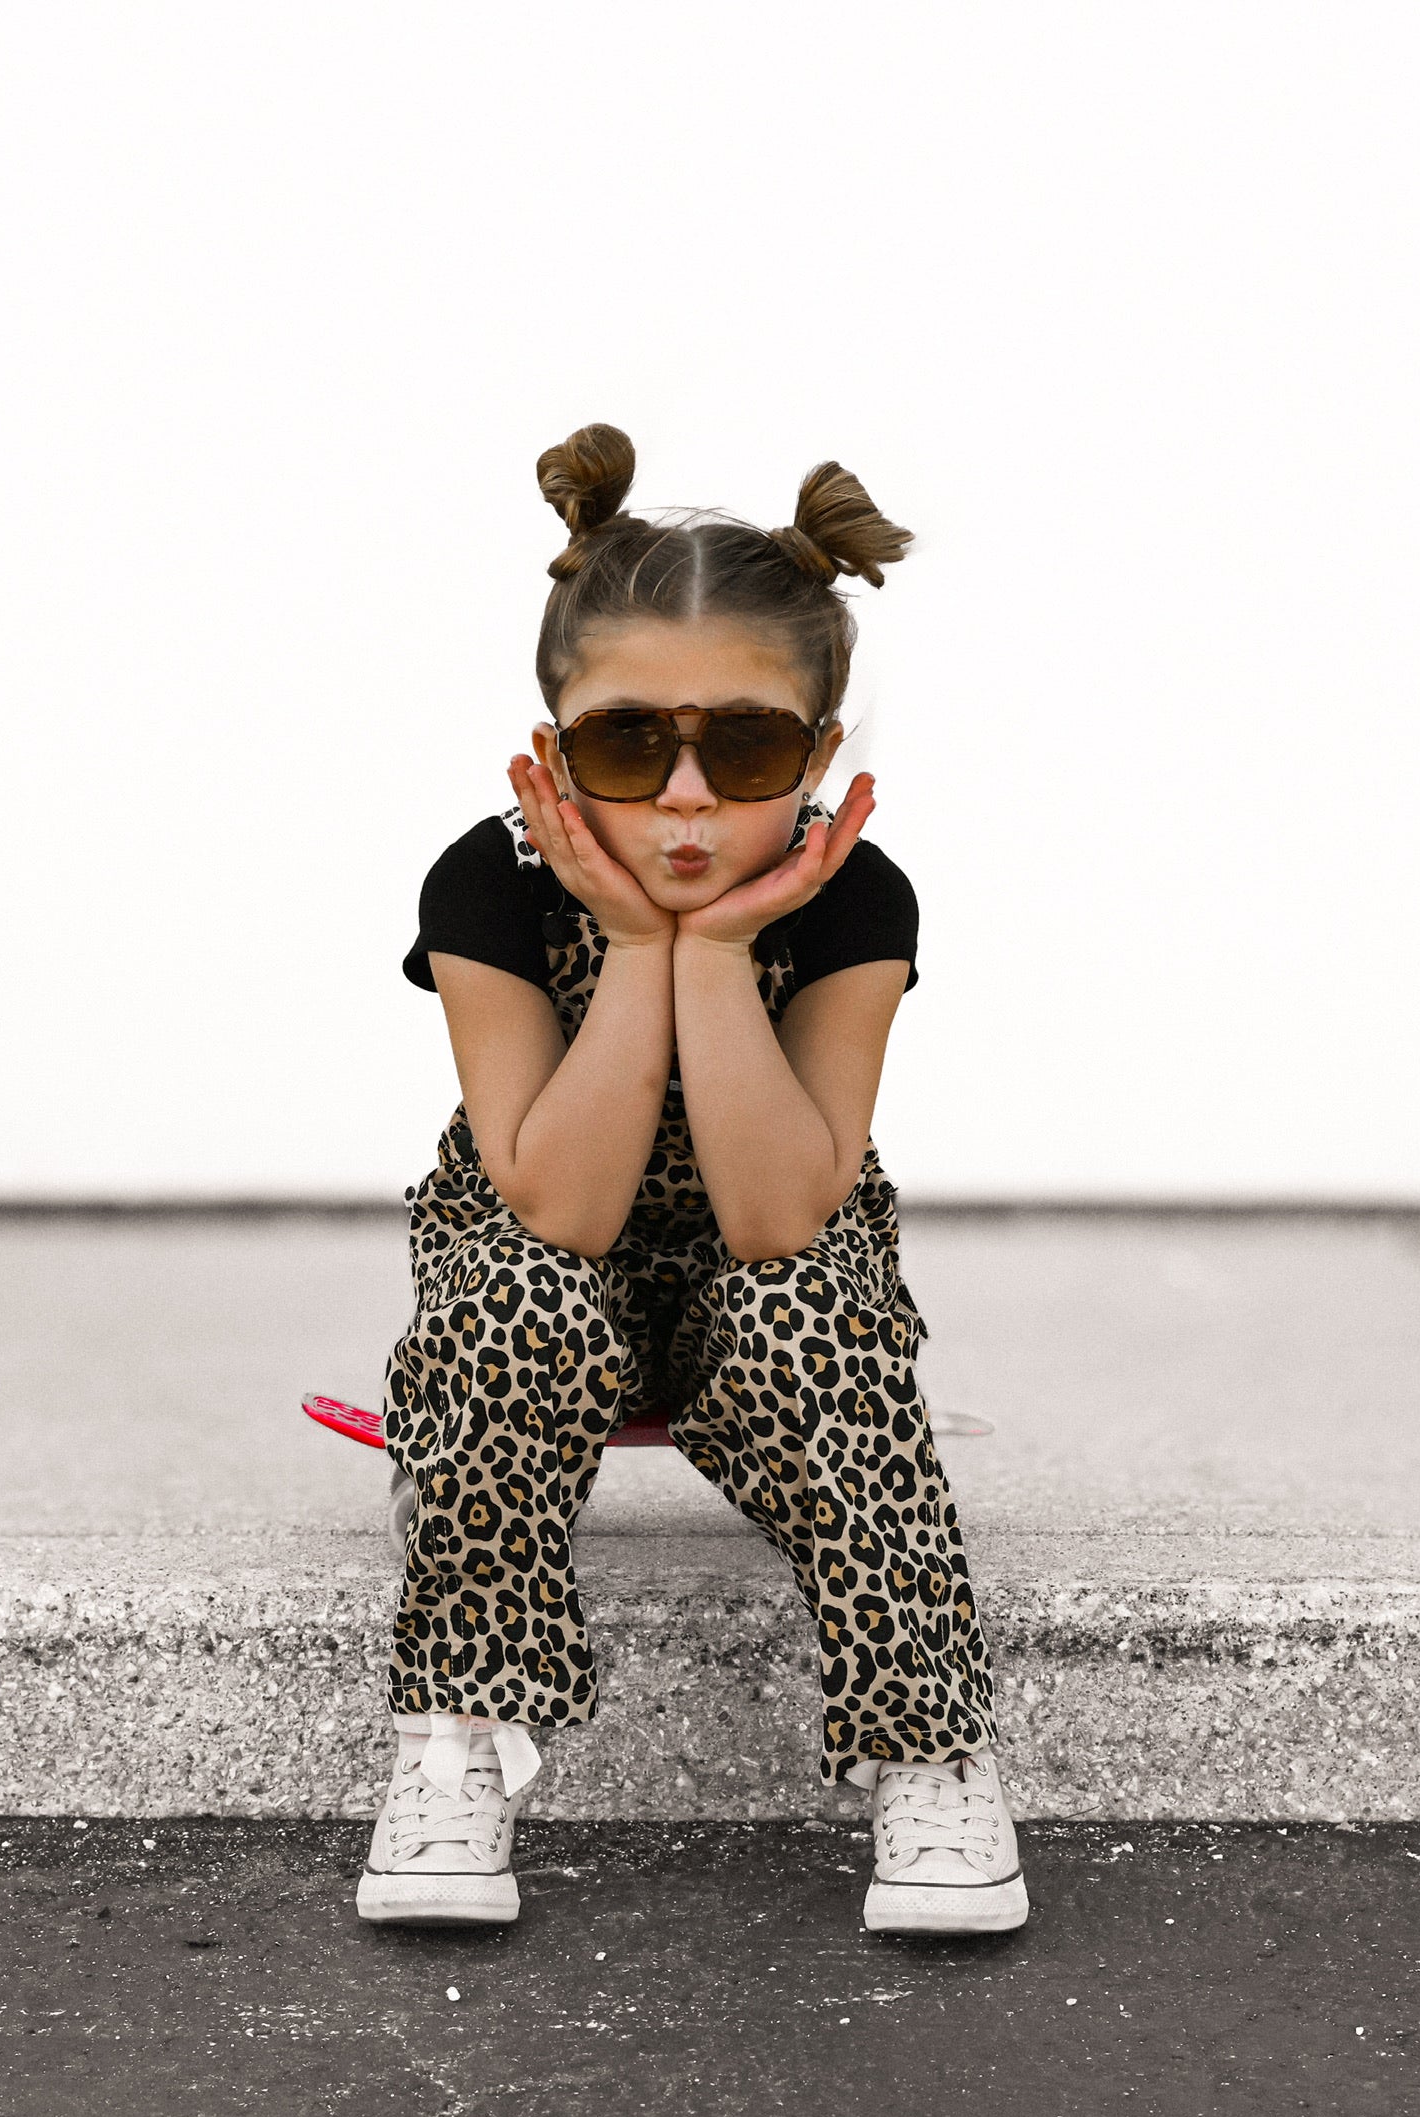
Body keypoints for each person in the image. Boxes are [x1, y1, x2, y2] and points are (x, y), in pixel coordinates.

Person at [358, 423, 1027, 1939]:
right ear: (551, 754)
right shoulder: (490, 883)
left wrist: (714, 947)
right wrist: (635, 945)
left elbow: (782, 1217)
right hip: (544, 1274)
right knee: (517, 1301)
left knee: (809, 1313)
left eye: (743, 751)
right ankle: (455, 1737)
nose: (681, 798)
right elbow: (560, 1208)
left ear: (820, 757)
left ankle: (929, 1752)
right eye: (624, 747)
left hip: (771, 1292)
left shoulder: (856, 898)